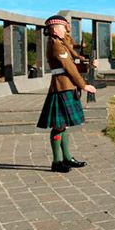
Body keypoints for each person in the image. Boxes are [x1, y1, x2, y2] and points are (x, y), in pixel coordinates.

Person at [37, 15, 97, 172]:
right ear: (55, 29)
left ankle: (67, 158)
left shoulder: (61, 43)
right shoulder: (56, 45)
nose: (66, 30)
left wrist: (88, 63)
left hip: (67, 86)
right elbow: (69, 68)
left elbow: (73, 63)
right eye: (64, 27)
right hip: (61, 87)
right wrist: (84, 85)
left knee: (64, 126)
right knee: (58, 126)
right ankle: (57, 162)